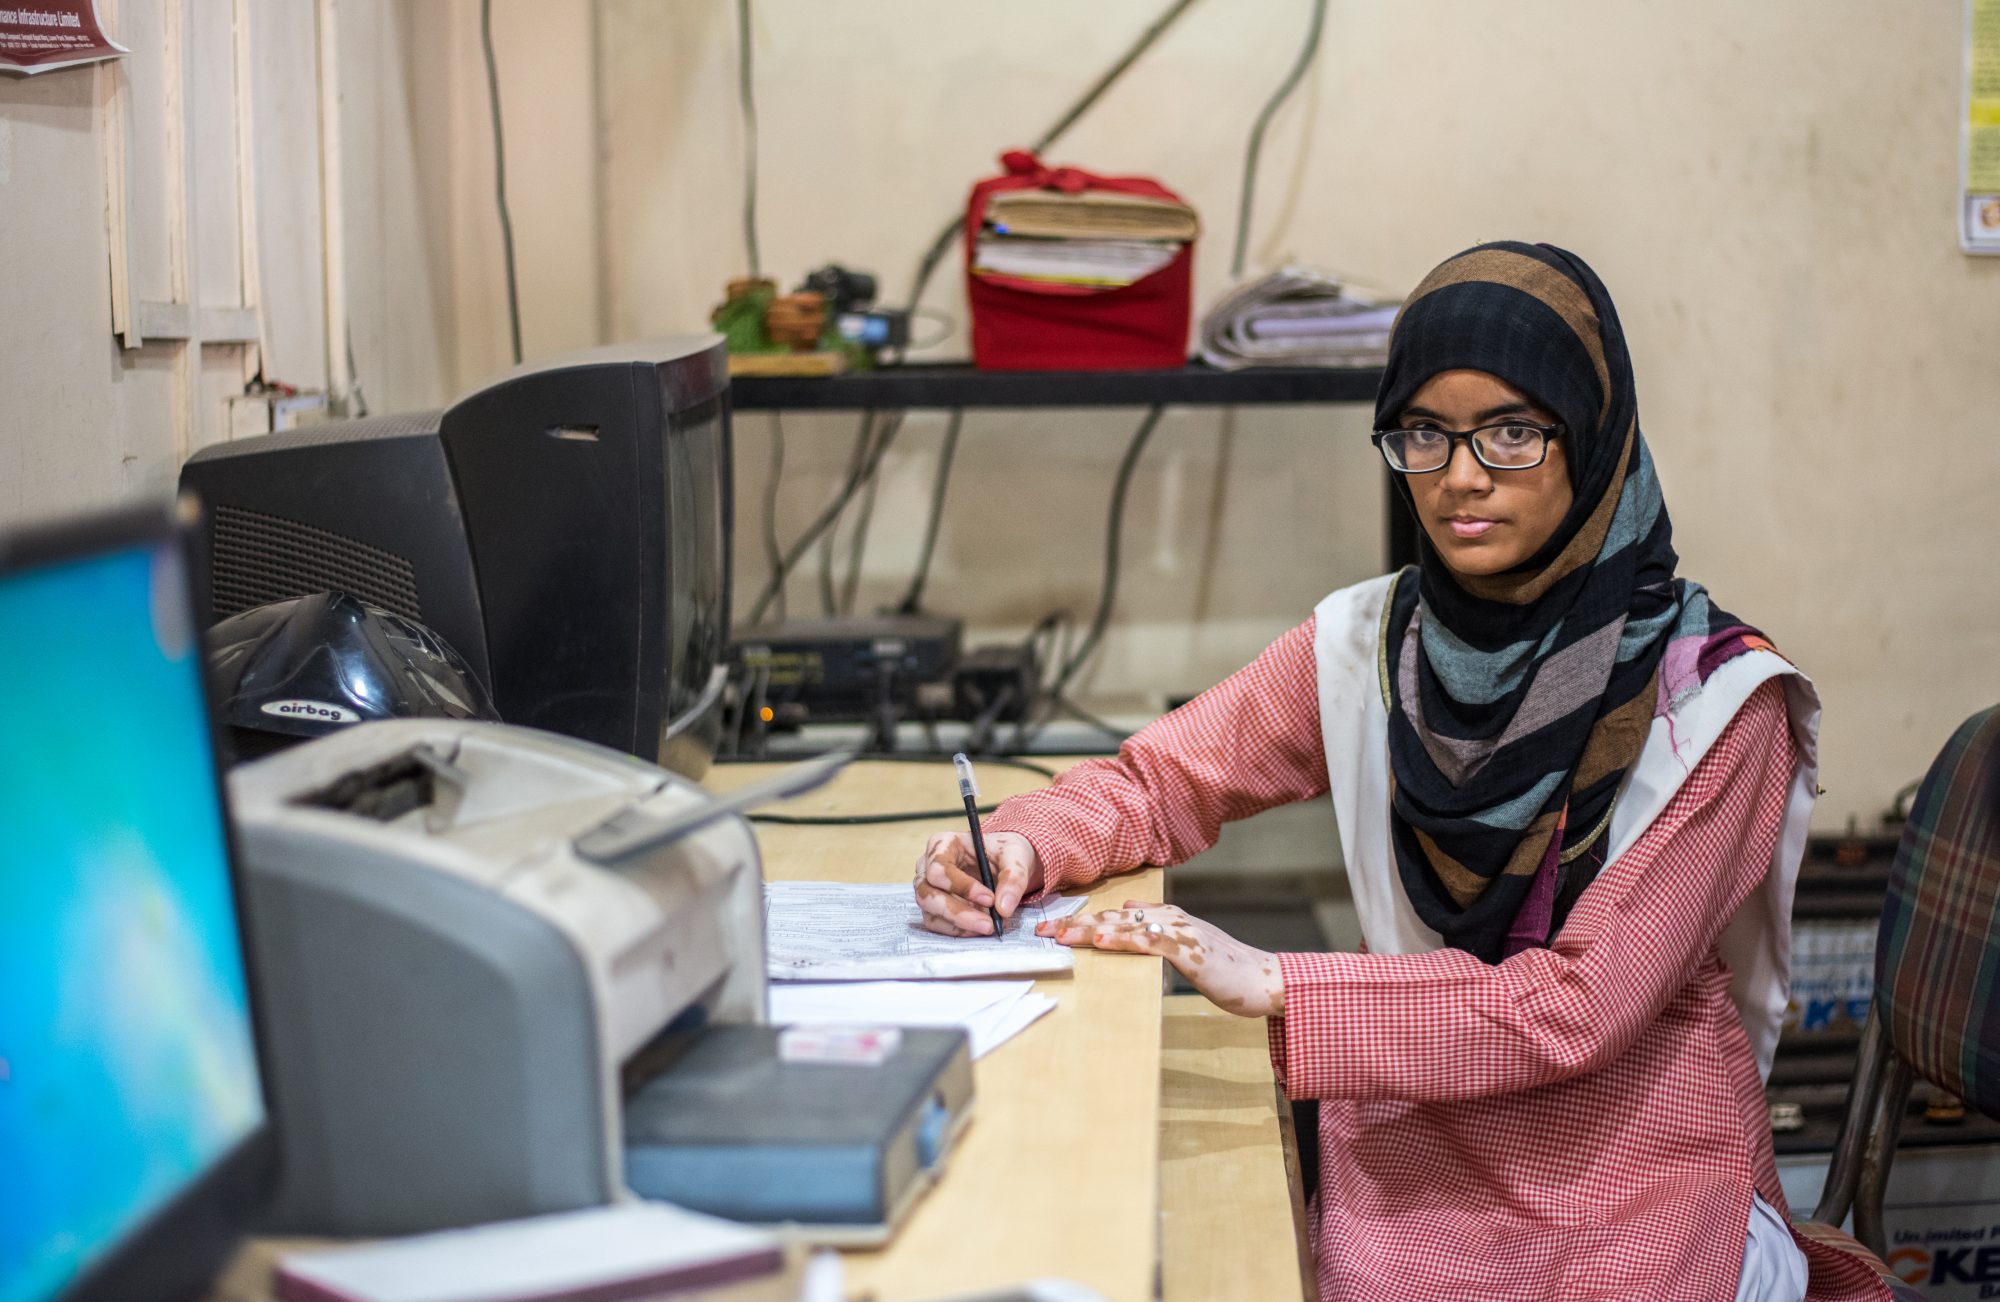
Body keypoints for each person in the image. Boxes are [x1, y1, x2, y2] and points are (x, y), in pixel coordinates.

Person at [913, 243, 1894, 1301]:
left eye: (1511, 432)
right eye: (1424, 433)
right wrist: (1019, 845)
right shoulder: (1372, 643)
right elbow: (1161, 783)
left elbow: (1576, 1009)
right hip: (1405, 1159)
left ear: (1593, 436)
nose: (1460, 477)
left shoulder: (1718, 703)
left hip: (1637, 1190)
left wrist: (1275, 981)